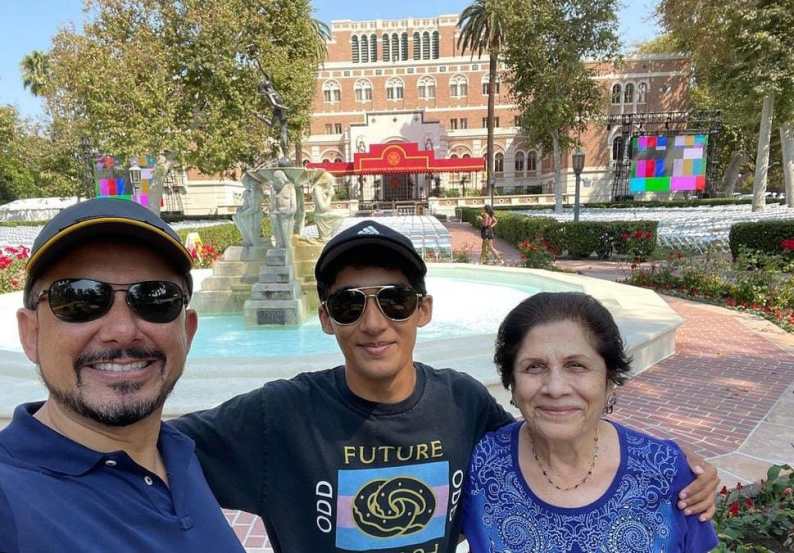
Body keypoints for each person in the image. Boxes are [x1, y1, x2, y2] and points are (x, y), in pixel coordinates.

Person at [173, 221, 718, 553]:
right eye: (348, 303)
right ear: (325, 318)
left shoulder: (462, 402)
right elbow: (152, 450)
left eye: (394, 299)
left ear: (423, 310)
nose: (373, 322)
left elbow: (551, 442)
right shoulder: (280, 413)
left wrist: (670, 462)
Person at [0, 198, 244, 552]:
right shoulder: (9, 504)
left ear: (187, 332)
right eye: (80, 298)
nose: (122, 330)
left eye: (154, 299)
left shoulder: (178, 452)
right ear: (31, 333)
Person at [462, 292, 720, 552]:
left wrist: (678, 458)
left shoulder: (667, 470)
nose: (555, 388)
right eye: (534, 367)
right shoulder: (479, 464)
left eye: (576, 366)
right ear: (512, 384)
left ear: (609, 379)